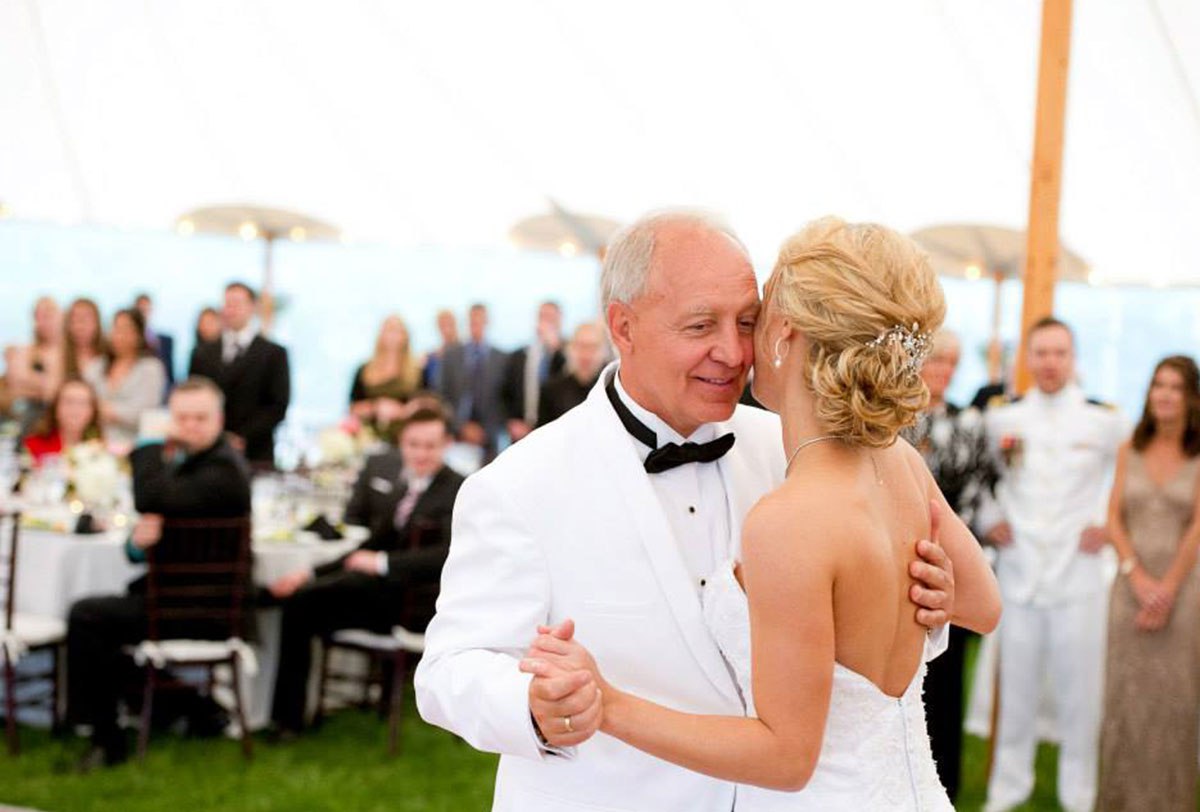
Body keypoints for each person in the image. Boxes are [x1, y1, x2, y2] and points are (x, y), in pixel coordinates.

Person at [415, 211, 991, 811]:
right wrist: (534, 706)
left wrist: (928, 590)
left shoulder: (794, 451)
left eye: (746, 322)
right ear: (624, 327)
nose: (733, 352)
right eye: (700, 326)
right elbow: (448, 670)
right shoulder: (519, 484)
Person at [65, 376, 251, 768]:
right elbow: (154, 520)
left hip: (204, 607)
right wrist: (138, 541)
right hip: (173, 596)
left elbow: (148, 496)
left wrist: (148, 439)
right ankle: (196, 709)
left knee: (87, 618)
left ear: (219, 419)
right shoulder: (190, 462)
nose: (190, 426)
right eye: (182, 418)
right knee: (101, 622)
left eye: (200, 418)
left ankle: (105, 737)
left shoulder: (223, 470)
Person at [982, 317, 1127, 812]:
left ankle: (1079, 793)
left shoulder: (1103, 421)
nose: (1050, 363)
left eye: (1059, 353)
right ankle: (1008, 788)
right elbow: (986, 479)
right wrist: (990, 519)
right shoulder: (1003, 419)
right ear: (1028, 358)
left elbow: (1131, 473)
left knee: (1080, 694)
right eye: (1041, 353)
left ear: (1073, 358)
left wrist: (1108, 521)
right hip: (1020, 571)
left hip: (1078, 576)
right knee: (1016, 688)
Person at [267, 407, 464, 735]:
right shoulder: (406, 485)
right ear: (402, 444)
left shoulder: (459, 489)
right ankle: (291, 715)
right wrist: (311, 572)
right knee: (302, 599)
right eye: (413, 445)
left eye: (430, 446)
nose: (420, 453)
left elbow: (447, 555)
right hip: (384, 593)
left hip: (418, 604)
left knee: (303, 604)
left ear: (446, 445)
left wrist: (383, 563)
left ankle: (288, 721)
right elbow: (371, 544)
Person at [1097, 355, 1200, 811]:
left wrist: (1167, 590)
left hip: (1184, 595)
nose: (1165, 394)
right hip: (1128, 593)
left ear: (1191, 397)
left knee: (1175, 704)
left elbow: (1198, 527)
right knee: (1125, 699)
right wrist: (1135, 576)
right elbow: (1113, 518)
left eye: (1176, 387)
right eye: (1159, 384)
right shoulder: (1129, 449)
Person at [907, 328, 999, 800]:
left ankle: (947, 785)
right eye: (935, 360)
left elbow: (982, 487)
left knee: (948, 679)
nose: (942, 371)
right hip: (902, 560)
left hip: (956, 561)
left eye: (950, 363)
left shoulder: (971, 422)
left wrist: (966, 540)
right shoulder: (895, 420)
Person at [188, 282, 291, 467]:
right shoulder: (202, 353)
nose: (230, 310)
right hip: (208, 453)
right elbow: (193, 397)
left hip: (255, 453)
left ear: (252, 307)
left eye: (236, 304)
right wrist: (217, 436)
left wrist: (242, 437)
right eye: (227, 304)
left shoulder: (273, 354)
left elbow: (278, 405)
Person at [85, 308, 167, 450]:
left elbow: (146, 414)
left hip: (135, 445)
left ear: (139, 334)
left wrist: (107, 411)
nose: (119, 335)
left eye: (126, 329)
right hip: (95, 443)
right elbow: (83, 401)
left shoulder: (151, 368)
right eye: (115, 328)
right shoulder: (96, 366)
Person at [436, 303, 508, 459]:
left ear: (487, 322)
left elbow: (505, 399)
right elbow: (442, 396)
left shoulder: (502, 358)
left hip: (490, 439)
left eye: (480, 320)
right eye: (473, 320)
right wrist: (460, 427)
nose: (476, 324)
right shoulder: (451, 355)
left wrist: (486, 431)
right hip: (456, 434)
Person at [349, 315, 422, 438]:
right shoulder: (364, 370)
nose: (393, 336)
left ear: (406, 336)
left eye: (398, 331)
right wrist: (376, 407)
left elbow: (425, 405)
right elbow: (352, 408)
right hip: (368, 435)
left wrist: (400, 411)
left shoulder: (418, 371)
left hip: (406, 436)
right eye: (389, 330)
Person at [502, 301, 566, 442]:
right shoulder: (519, 356)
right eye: (542, 317)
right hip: (522, 432)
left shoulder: (565, 355)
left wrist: (556, 350)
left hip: (556, 431)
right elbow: (506, 392)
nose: (546, 323)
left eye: (551, 318)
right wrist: (512, 421)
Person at [4, 296, 63, 431]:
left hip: (54, 427)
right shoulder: (25, 350)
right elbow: (14, 386)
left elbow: (53, 392)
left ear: (60, 317)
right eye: (38, 317)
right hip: (25, 422)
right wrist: (45, 384)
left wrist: (29, 382)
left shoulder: (68, 353)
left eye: (48, 316)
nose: (43, 322)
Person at [536, 321, 607, 427]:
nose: (586, 354)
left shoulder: (612, 390)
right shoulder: (551, 390)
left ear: (603, 352)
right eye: (581, 346)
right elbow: (542, 432)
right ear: (570, 348)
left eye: (593, 347)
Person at [22, 378, 104, 464]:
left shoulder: (101, 449)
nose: (75, 409)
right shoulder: (33, 446)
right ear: (56, 407)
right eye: (69, 402)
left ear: (93, 410)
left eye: (82, 403)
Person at [133, 293, 175, 392]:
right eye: (140, 309)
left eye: (146, 308)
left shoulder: (165, 341)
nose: (143, 313)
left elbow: (170, 374)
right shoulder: (126, 341)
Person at [61, 297, 106, 383]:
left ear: (97, 323)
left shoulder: (109, 357)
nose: (80, 327)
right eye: (75, 320)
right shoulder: (59, 357)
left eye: (86, 320)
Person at [420, 308, 460, 390]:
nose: (446, 329)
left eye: (449, 324)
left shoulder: (465, 353)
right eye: (442, 325)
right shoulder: (431, 357)